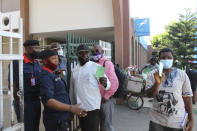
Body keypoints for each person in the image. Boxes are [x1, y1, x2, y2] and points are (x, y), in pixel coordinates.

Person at [38, 49, 87, 131]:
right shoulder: (45, 77)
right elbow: (49, 101)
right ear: (45, 61)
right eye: (53, 58)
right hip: (56, 118)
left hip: (64, 115)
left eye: (57, 58)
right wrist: (71, 108)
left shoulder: (52, 73)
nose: (56, 61)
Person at [146, 48, 194, 131]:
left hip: (177, 122)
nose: (166, 60)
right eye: (163, 58)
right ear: (159, 60)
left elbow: (187, 98)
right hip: (156, 121)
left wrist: (191, 119)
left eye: (169, 58)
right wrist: (157, 83)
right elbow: (149, 95)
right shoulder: (152, 74)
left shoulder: (182, 75)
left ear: (173, 59)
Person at [69, 44, 111, 131]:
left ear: (89, 54)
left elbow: (107, 84)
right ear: (77, 54)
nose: (84, 55)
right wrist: (72, 107)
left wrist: (105, 83)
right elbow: (72, 90)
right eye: (81, 53)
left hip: (92, 108)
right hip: (80, 108)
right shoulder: (74, 70)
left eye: (86, 53)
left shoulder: (97, 67)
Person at [9, 40, 41, 131]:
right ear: (27, 48)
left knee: (35, 127)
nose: (38, 50)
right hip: (25, 102)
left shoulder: (36, 62)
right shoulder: (17, 62)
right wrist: (20, 103)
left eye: (39, 48)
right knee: (27, 127)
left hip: (36, 101)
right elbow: (12, 84)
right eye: (36, 48)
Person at [91, 44, 119, 131]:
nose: (95, 53)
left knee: (107, 125)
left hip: (106, 100)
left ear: (102, 51)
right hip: (97, 100)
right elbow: (99, 83)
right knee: (101, 124)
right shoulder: (96, 64)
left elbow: (114, 83)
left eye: (97, 51)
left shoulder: (107, 63)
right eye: (93, 52)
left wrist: (106, 97)